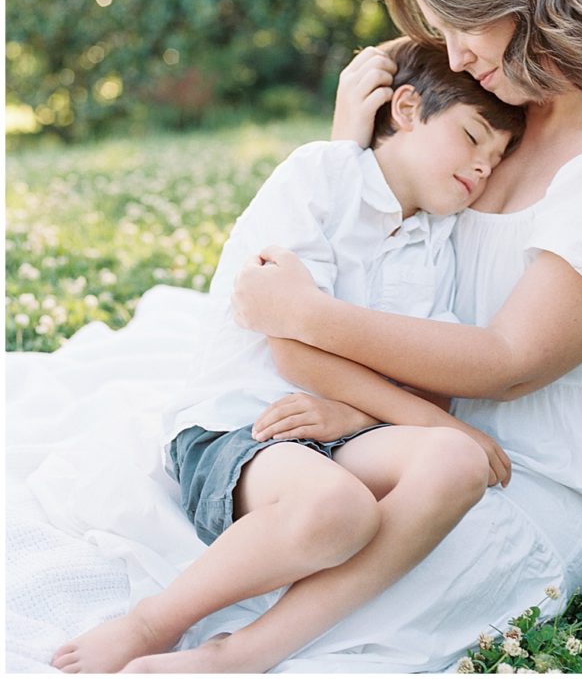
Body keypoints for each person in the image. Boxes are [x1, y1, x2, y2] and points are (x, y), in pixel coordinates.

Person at [221, 0, 582, 673]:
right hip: (390, 434)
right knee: (236, 535)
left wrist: (304, 315)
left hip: (534, 479)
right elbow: (378, 251)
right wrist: (350, 142)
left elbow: (509, 362)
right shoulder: (496, 109)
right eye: (439, 38)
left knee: (335, 620)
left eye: (461, 28)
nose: (455, 59)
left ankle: (233, 655)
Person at [51, 38, 524, 675]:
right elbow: (293, 344)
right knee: (341, 508)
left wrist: (359, 419)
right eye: (471, 138)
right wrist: (432, 421)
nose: (480, 170)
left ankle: (245, 653)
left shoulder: (439, 240)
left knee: (459, 461)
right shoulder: (319, 176)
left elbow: (428, 378)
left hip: (341, 436)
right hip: (243, 428)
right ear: (407, 109)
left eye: (495, 160)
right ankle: (150, 622)